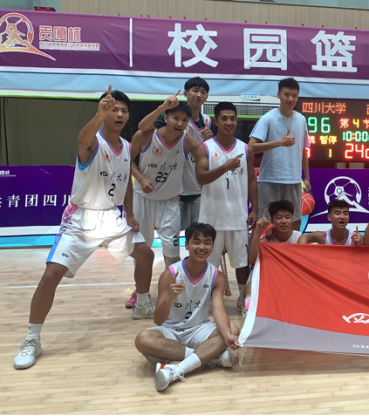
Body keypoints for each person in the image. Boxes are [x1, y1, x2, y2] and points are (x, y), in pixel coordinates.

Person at [13, 87, 156, 370]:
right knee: (51, 275)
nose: (118, 114)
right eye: (113, 109)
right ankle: (32, 338)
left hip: (111, 216)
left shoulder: (127, 147)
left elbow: (126, 181)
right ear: (103, 111)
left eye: (123, 111)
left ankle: (142, 305)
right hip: (81, 218)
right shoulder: (92, 142)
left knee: (146, 255)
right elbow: (82, 139)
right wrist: (98, 114)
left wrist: (128, 213)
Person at [134, 223, 240, 392]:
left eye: (207, 242)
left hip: (199, 329)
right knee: (143, 339)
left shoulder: (217, 276)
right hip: (170, 330)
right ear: (187, 245)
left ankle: (177, 369)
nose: (202, 247)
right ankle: (208, 357)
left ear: (213, 247)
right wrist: (169, 298)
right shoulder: (170, 274)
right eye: (196, 242)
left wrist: (227, 335)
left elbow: (219, 309)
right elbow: (158, 320)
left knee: (232, 329)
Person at [194, 102, 258, 316]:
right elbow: (201, 178)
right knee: (207, 262)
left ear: (236, 121)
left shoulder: (246, 149)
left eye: (232, 118)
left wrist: (255, 208)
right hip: (211, 217)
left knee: (241, 262)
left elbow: (251, 180)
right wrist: (224, 168)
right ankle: (206, 300)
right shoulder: (204, 147)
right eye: (224, 118)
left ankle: (242, 298)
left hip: (238, 215)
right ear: (216, 121)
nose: (229, 122)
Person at [130, 102, 202, 269]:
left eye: (184, 120)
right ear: (166, 118)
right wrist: (141, 179)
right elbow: (127, 161)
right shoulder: (145, 136)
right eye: (176, 118)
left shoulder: (189, 142)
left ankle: (172, 283)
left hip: (170, 201)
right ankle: (140, 284)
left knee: (172, 252)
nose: (180, 123)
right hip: (142, 198)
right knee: (142, 249)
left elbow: (207, 156)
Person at [139, 77, 216, 232]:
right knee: (176, 233)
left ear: (207, 97)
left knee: (197, 233)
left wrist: (209, 143)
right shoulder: (173, 116)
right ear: (186, 94)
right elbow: (143, 127)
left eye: (203, 92)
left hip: (199, 188)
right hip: (175, 189)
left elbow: (214, 155)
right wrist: (162, 107)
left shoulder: (208, 122)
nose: (198, 95)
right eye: (195, 90)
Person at [249, 78, 311, 232]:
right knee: (265, 222)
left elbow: (303, 150)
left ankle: (289, 248)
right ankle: (262, 248)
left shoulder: (301, 119)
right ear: (278, 95)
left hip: (294, 180)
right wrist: (279, 143)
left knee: (295, 221)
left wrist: (307, 177)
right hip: (269, 179)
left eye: (294, 96)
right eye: (286, 94)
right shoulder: (268, 118)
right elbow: (251, 147)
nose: (290, 99)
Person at [249, 201, 303, 268]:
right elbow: (252, 261)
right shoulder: (268, 240)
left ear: (292, 219)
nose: (284, 221)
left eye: (287, 217)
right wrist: (258, 232)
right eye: (279, 218)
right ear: (272, 221)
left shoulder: (299, 238)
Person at [298, 200, 363, 246]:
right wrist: (302, 248)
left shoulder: (357, 238)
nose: (342, 217)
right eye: (337, 213)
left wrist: (359, 246)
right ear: (329, 217)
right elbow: (303, 237)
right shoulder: (322, 237)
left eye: (345, 214)